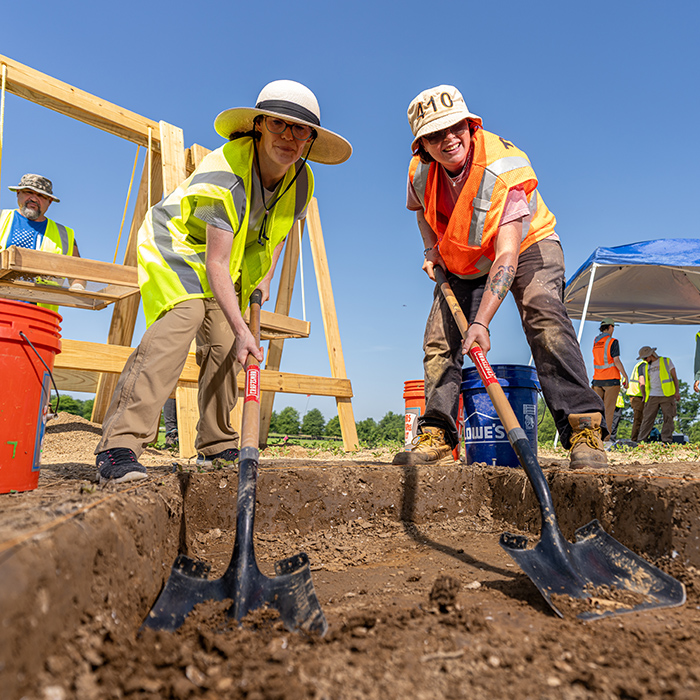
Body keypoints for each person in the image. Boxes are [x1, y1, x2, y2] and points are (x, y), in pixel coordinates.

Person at [94, 80, 351, 483]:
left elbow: (278, 233)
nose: (288, 136)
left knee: (225, 342)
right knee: (184, 318)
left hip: (226, 261)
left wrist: (263, 280)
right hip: (177, 244)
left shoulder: (302, 181)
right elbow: (214, 262)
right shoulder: (226, 172)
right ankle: (118, 446)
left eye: (299, 129)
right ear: (260, 124)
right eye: (279, 124)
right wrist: (243, 327)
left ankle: (216, 446)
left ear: (310, 139)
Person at [393, 85, 607, 470]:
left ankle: (582, 427)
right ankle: (438, 432)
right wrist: (431, 251)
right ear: (422, 144)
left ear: (470, 125)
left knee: (543, 312)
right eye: (435, 135)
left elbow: (507, 255)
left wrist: (481, 322)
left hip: (527, 245)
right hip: (464, 257)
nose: (448, 139)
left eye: (455, 127)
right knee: (439, 340)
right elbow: (422, 212)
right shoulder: (420, 170)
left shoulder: (505, 166)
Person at [0, 174, 82, 310]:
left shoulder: (65, 236)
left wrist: (78, 286)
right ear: (18, 193)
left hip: (40, 317)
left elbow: (79, 272)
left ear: (49, 202)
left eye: (41, 195)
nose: (34, 198)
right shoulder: (1, 218)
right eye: (29, 192)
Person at [591, 318, 628, 434]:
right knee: (608, 410)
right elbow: (616, 360)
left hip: (597, 380)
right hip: (611, 380)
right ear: (611, 327)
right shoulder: (613, 341)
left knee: (596, 409)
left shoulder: (595, 341)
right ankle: (605, 437)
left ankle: (594, 433)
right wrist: (625, 376)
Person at [636, 346, 680, 443]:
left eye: (645, 358)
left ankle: (666, 441)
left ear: (651, 355)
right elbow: (643, 382)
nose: (644, 360)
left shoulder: (666, 361)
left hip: (667, 395)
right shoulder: (646, 366)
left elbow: (675, 378)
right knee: (647, 419)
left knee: (668, 418)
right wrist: (644, 395)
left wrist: (677, 392)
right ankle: (641, 441)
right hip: (652, 396)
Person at [626, 358, 646, 442]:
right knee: (638, 419)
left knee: (640, 419)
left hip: (637, 395)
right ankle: (635, 440)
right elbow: (642, 382)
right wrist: (645, 395)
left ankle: (638, 439)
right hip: (638, 395)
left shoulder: (640, 364)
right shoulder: (644, 365)